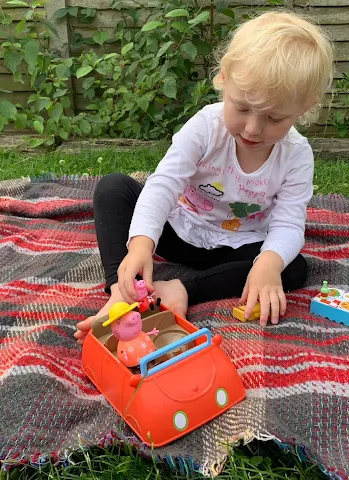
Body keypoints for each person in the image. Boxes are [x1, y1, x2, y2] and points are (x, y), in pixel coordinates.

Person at [75, 10, 334, 344]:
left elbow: (288, 224)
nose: (253, 129)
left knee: (292, 267)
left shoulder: (297, 154)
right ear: (224, 79)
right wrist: (141, 244)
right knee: (113, 188)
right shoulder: (205, 127)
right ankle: (121, 290)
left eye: (274, 117)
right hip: (180, 230)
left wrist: (268, 264)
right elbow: (164, 184)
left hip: (237, 245)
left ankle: (181, 289)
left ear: (304, 108)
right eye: (241, 108)